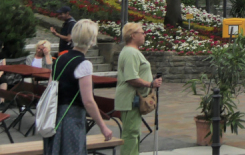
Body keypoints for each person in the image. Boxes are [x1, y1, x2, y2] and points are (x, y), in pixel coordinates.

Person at [43, 19, 114, 154]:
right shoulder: (83, 64)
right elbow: (88, 101)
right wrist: (103, 127)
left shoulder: (59, 59)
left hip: (53, 117)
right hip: (71, 118)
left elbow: (50, 88)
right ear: (92, 40)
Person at [115, 22, 163, 155]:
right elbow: (131, 78)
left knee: (134, 133)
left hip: (134, 100)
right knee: (131, 135)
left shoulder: (132, 52)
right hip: (130, 100)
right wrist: (150, 84)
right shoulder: (130, 53)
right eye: (142, 33)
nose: (144, 35)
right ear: (133, 35)